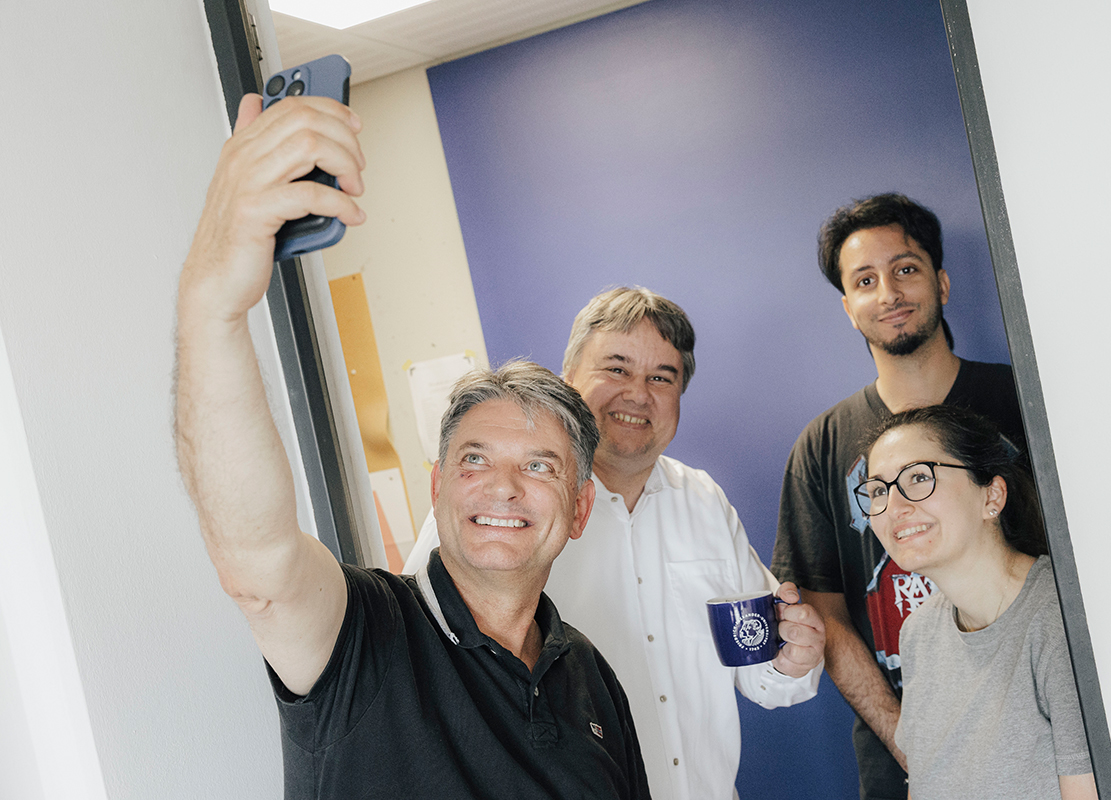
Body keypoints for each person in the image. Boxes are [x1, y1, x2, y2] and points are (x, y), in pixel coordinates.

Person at [174, 93, 650, 799]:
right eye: (475, 459)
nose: (503, 486)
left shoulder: (589, 674)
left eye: (540, 466)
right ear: (438, 486)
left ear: (579, 511)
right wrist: (213, 304)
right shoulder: (363, 631)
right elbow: (259, 567)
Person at [405, 287, 827, 800]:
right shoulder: (498, 509)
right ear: (569, 381)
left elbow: (765, 672)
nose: (637, 393)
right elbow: (421, 667)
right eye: (617, 369)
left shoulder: (703, 500)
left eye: (660, 377)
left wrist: (793, 655)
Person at [771, 193, 1028, 799]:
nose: (888, 292)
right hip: (906, 765)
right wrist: (911, 741)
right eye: (865, 280)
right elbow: (824, 614)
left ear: (940, 282)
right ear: (848, 307)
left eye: (905, 269)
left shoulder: (1024, 404)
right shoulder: (822, 445)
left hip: (1042, 728)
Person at [858, 405, 1096, 799]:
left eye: (918, 477)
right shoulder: (919, 633)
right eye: (879, 491)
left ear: (992, 494)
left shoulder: (1061, 620)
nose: (895, 508)